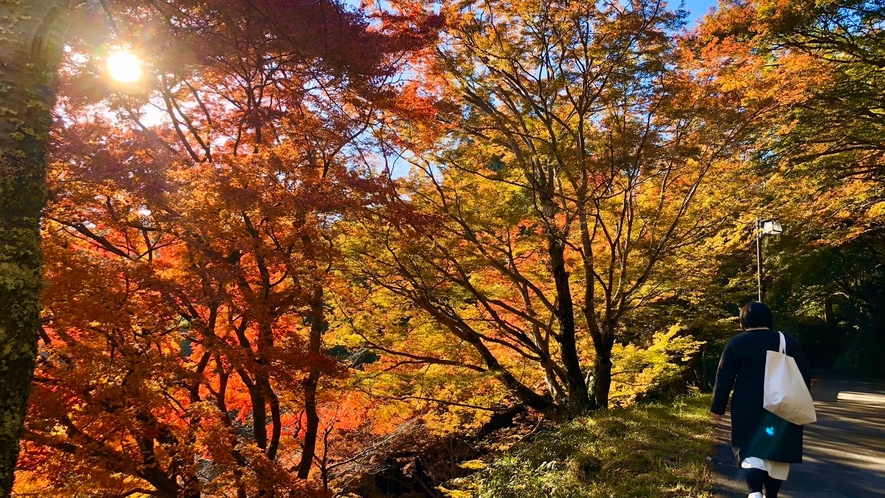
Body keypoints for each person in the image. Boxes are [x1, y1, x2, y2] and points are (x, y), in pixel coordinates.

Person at [710, 302, 812, 498]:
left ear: (743, 321)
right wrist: (800, 395)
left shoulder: (736, 343)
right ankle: (770, 494)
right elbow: (804, 372)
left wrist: (718, 408)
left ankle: (754, 492)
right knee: (778, 450)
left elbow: (724, 378)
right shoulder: (786, 341)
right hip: (783, 404)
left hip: (748, 405)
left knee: (750, 448)